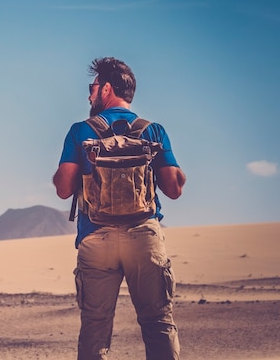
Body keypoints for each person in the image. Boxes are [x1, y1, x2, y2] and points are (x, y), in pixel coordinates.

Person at [53, 57, 186, 360]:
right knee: (158, 323)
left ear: (107, 89)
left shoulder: (79, 131)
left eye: (92, 87)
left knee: (95, 329)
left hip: (96, 238)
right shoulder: (153, 131)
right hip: (144, 237)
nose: (89, 95)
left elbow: (63, 189)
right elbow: (174, 189)